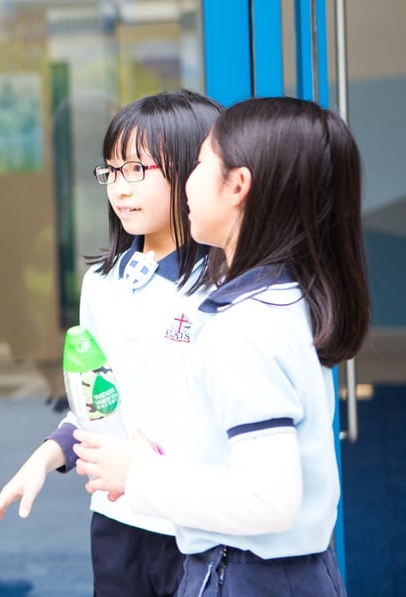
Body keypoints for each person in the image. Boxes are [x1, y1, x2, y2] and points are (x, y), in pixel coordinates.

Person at [73, 96, 368, 596]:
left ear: (238, 185)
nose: (188, 179)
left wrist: (140, 475)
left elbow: (269, 499)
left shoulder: (246, 327)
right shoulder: (279, 298)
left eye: (202, 163)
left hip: (247, 572)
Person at [0, 90, 222, 596]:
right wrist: (45, 458)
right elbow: (97, 402)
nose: (119, 187)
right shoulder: (103, 282)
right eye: (111, 171)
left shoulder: (223, 287)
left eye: (137, 169)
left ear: (193, 170)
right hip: (116, 516)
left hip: (195, 521)